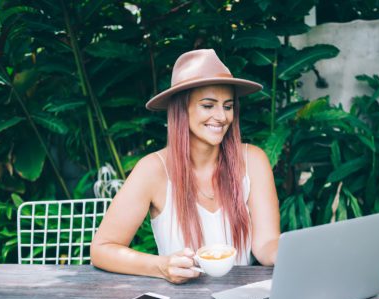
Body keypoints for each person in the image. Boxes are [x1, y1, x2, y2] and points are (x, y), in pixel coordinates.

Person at [91, 49, 280, 284]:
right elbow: (102, 249)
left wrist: (290, 253)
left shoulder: (253, 160)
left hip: (239, 297)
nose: (221, 117)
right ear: (182, 109)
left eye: (228, 106)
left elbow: (266, 244)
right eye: (208, 105)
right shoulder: (152, 170)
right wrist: (161, 266)